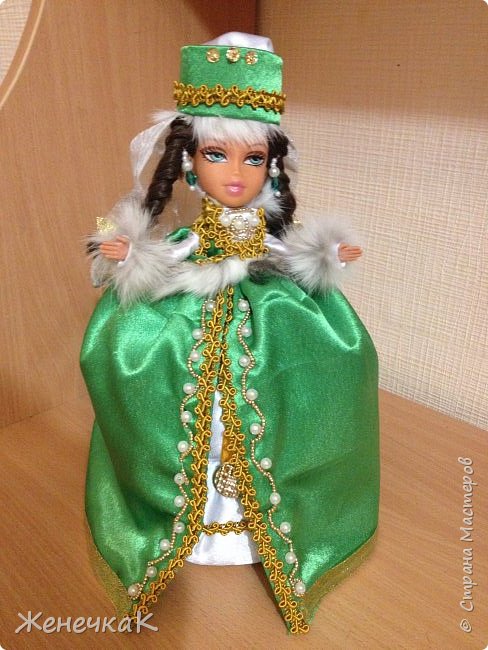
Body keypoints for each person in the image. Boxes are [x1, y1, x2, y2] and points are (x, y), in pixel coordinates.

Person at [81, 32, 380, 635]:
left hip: (270, 302)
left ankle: (267, 516)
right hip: (190, 299)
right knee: (191, 400)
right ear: (189, 163)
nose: (236, 174)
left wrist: (327, 255)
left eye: (253, 158)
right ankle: (179, 511)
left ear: (272, 166)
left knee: (282, 391)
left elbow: (289, 252)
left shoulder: (264, 228)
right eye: (217, 155)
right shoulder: (191, 233)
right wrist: (129, 253)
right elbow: (164, 255)